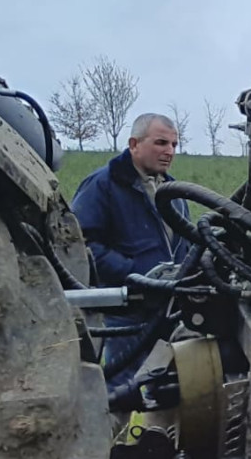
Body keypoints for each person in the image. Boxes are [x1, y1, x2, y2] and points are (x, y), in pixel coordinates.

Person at [72, 113, 192, 387]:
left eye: (174, 144)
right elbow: (83, 245)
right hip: (126, 314)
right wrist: (137, 274)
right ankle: (118, 430)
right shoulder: (102, 186)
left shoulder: (171, 191)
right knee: (123, 388)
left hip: (167, 311)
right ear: (134, 144)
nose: (169, 151)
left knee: (164, 390)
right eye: (161, 142)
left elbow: (184, 244)